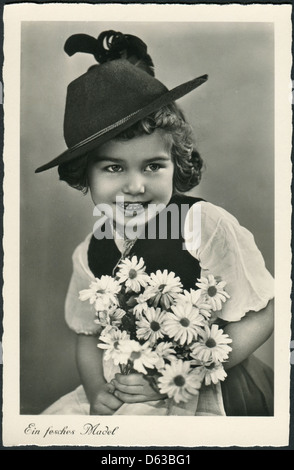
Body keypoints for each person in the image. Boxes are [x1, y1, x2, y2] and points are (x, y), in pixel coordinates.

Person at [36, 30, 274, 416]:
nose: (135, 186)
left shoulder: (203, 225)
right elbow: (87, 335)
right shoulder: (91, 250)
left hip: (206, 385)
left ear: (175, 163)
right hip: (127, 392)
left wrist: (190, 372)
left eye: (153, 166)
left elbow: (264, 313)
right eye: (114, 167)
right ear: (86, 175)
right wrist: (98, 391)